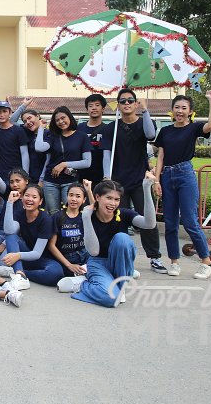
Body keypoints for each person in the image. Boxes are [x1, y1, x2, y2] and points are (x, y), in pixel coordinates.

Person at [57, 173, 157, 307]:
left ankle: (119, 287)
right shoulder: (88, 216)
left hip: (118, 262)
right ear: (97, 197)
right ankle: (82, 284)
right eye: (109, 198)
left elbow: (149, 224)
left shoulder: (124, 214)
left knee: (122, 239)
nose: (113, 203)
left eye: (116, 199)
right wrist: (86, 218)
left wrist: (146, 188)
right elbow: (93, 251)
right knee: (111, 299)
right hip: (97, 263)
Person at [153, 90, 211, 278]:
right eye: (177, 107)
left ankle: (207, 262)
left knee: (190, 221)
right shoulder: (165, 131)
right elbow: (161, 157)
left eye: (184, 108)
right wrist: (157, 180)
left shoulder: (194, 128)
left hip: (185, 175)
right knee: (170, 223)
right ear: (172, 110)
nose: (180, 111)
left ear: (190, 111)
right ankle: (174, 262)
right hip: (167, 176)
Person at [102, 88, 165, 274]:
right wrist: (107, 176)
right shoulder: (111, 128)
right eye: (123, 101)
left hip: (139, 180)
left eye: (131, 100)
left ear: (136, 103)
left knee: (148, 219)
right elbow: (107, 154)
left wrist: (145, 110)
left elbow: (150, 135)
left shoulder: (145, 122)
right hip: (117, 183)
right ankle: (115, 256)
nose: (127, 103)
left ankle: (154, 257)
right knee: (115, 220)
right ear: (118, 105)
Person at [0, 185, 62, 288]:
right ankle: (19, 274)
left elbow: (37, 253)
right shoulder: (20, 214)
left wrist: (17, 256)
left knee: (56, 273)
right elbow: (8, 231)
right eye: (27, 195)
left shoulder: (45, 219)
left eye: (34, 197)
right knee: (11, 236)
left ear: (40, 201)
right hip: (25, 254)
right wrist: (10, 202)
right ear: (22, 198)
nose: (30, 199)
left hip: (42, 259)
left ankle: (20, 273)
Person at [35, 106, 92, 212]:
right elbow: (39, 148)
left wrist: (64, 164)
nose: (61, 121)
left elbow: (87, 162)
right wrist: (41, 128)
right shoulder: (53, 136)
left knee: (71, 212)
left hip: (70, 181)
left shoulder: (82, 136)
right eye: (57, 120)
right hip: (50, 182)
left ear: (69, 117)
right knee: (53, 213)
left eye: (63, 118)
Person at [47, 183, 90, 277]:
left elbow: (97, 209)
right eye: (71, 195)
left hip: (85, 257)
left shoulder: (85, 217)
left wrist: (89, 190)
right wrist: (69, 265)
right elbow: (51, 245)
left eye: (78, 196)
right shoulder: (57, 217)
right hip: (66, 259)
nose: (73, 199)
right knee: (56, 275)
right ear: (67, 196)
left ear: (84, 200)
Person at [77, 94, 109, 184]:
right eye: (90, 106)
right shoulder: (79, 128)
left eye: (97, 105)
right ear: (87, 109)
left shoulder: (108, 129)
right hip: (81, 175)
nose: (94, 108)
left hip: (100, 175)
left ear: (103, 109)